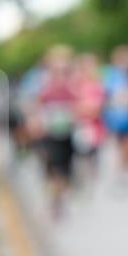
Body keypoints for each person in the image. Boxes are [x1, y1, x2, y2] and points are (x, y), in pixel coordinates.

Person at [36, 45, 79, 221]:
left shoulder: (73, 87)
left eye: (64, 70)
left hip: (68, 136)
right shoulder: (44, 87)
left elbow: (82, 107)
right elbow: (35, 107)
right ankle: (55, 200)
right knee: (53, 170)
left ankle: (59, 199)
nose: (60, 74)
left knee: (65, 173)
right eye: (56, 70)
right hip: (49, 136)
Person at [102, 44, 128, 186]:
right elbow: (106, 95)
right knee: (123, 144)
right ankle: (123, 169)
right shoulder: (111, 74)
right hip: (118, 117)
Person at [72, 52, 108, 191]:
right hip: (81, 126)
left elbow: (100, 106)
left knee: (93, 154)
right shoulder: (76, 84)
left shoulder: (99, 84)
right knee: (81, 154)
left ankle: (90, 180)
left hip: (95, 127)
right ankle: (82, 179)